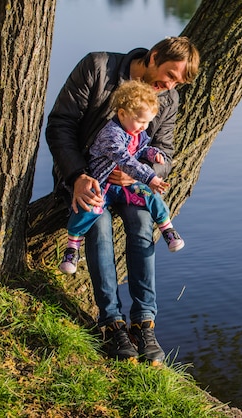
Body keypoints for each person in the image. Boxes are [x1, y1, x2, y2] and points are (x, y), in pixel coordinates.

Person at [45, 37, 200, 364]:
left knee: (143, 224)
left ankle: (144, 322)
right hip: (87, 180)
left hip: (130, 185)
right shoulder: (98, 67)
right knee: (98, 227)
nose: (170, 86)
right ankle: (111, 322)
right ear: (153, 56)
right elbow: (60, 125)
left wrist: (140, 172)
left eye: (177, 82)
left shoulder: (168, 99)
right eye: (169, 75)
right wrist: (76, 176)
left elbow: (164, 153)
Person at [58, 79, 185, 277]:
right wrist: (149, 176)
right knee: (88, 206)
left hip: (125, 187)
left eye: (148, 123)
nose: (144, 127)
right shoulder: (111, 134)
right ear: (122, 114)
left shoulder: (136, 131)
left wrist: (152, 154)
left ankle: (167, 229)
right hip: (103, 184)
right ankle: (72, 247)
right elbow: (124, 158)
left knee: (151, 196)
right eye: (141, 121)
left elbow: (140, 149)